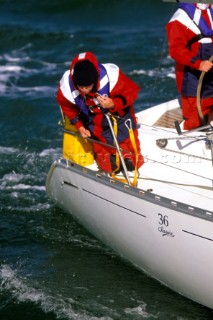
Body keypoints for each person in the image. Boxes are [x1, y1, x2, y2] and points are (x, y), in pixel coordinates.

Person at [57, 51, 144, 173]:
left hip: (120, 118)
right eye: (81, 87)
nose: (85, 91)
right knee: (107, 164)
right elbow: (68, 108)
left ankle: (129, 163)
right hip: (95, 124)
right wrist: (80, 127)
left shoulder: (112, 77)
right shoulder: (66, 87)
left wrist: (113, 103)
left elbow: (132, 92)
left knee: (132, 160)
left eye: (88, 87)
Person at [166, 3, 213, 130]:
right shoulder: (179, 18)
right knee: (194, 116)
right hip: (191, 76)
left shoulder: (211, 11)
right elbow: (176, 50)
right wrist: (198, 63)